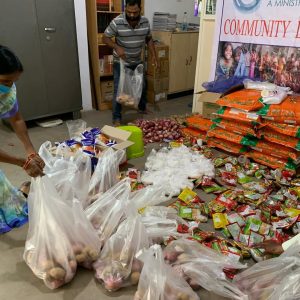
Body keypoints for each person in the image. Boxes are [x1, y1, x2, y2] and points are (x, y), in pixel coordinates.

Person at [0, 45, 45, 234]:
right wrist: (21, 162)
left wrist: (30, 150)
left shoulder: (7, 91)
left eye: (14, 81)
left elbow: (16, 119)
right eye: (6, 81)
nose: (10, 86)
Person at [103, 0, 158, 126]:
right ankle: (116, 117)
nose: (132, 15)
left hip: (138, 60)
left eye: (135, 12)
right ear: (125, 9)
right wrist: (116, 46)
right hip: (121, 62)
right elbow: (105, 38)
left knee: (142, 85)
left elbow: (149, 39)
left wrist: (154, 56)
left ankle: (141, 107)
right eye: (129, 12)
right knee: (119, 89)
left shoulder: (145, 22)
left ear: (140, 9)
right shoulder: (117, 22)